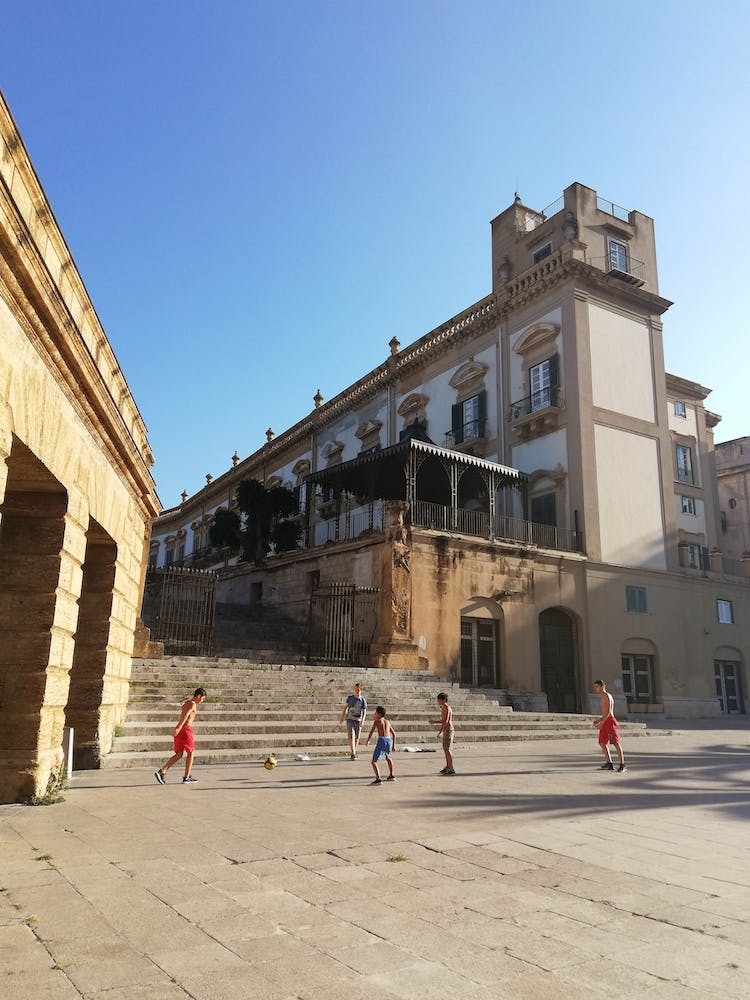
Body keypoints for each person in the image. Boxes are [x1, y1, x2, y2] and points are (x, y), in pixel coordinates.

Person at [154, 687, 207, 784]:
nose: (202, 701)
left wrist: (178, 728)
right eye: (202, 698)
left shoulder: (187, 702)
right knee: (191, 753)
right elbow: (186, 715)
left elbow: (183, 715)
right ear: (199, 696)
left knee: (179, 754)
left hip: (181, 729)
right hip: (186, 729)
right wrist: (178, 727)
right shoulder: (193, 704)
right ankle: (186, 777)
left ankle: (162, 771)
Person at [592, 679, 626, 771]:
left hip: (610, 722)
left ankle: (622, 765)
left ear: (602, 686)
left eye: (597, 687)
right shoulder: (602, 696)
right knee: (602, 742)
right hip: (605, 721)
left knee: (615, 743)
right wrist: (599, 720)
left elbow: (609, 713)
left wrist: (601, 723)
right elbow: (604, 713)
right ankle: (609, 763)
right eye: (595, 687)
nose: (595, 689)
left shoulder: (607, 696)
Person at [364, 706, 395, 784]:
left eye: (375, 712)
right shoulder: (387, 722)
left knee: (374, 761)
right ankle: (391, 775)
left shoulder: (377, 721)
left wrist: (368, 740)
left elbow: (371, 731)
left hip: (382, 740)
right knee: (388, 757)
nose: (374, 714)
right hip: (389, 740)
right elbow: (394, 734)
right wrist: (393, 746)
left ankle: (378, 778)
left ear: (379, 714)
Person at [338, 682, 367, 760]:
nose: (357, 691)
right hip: (350, 719)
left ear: (361, 690)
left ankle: (353, 752)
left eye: (359, 690)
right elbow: (345, 708)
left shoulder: (363, 700)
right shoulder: (350, 698)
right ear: (354, 689)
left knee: (357, 737)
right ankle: (353, 753)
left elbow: (364, 712)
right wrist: (342, 718)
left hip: (358, 720)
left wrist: (363, 720)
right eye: (356, 689)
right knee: (351, 736)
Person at [429, 692, 455, 775]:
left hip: (449, 730)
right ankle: (448, 766)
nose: (438, 701)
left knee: (447, 749)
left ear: (443, 700)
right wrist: (440, 732)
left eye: (439, 699)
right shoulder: (443, 708)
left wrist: (434, 721)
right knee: (445, 748)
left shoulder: (447, 708)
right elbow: (444, 722)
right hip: (446, 730)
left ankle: (451, 768)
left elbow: (446, 721)